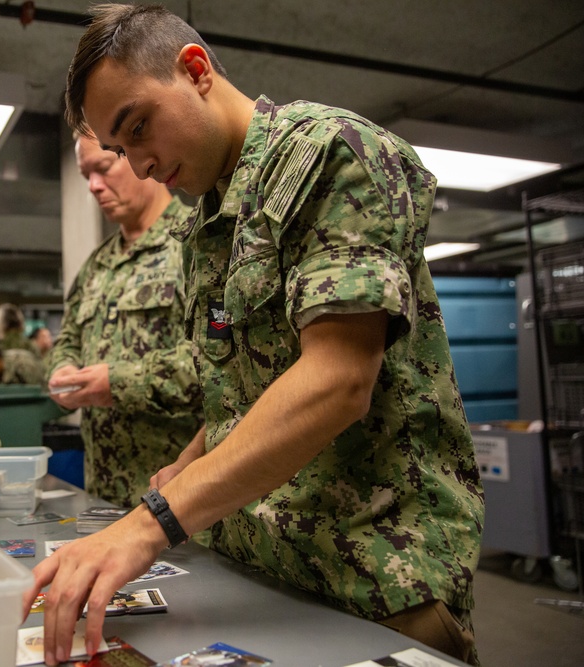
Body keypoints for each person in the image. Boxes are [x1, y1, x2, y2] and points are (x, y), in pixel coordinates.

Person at [26, 5, 484, 666]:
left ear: (195, 70)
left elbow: (338, 379)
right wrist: (187, 463)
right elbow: (248, 387)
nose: (141, 163)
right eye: (122, 149)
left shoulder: (327, 152)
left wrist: (154, 518)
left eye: (138, 127)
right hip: (273, 569)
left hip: (378, 583)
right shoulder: (212, 222)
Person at [46, 132, 202, 508]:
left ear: (132, 155)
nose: (95, 187)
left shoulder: (195, 242)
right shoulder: (97, 265)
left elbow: (218, 368)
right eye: (87, 176)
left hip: (179, 500)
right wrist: (63, 370)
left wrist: (117, 383)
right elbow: (68, 338)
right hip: (103, 493)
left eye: (103, 169)